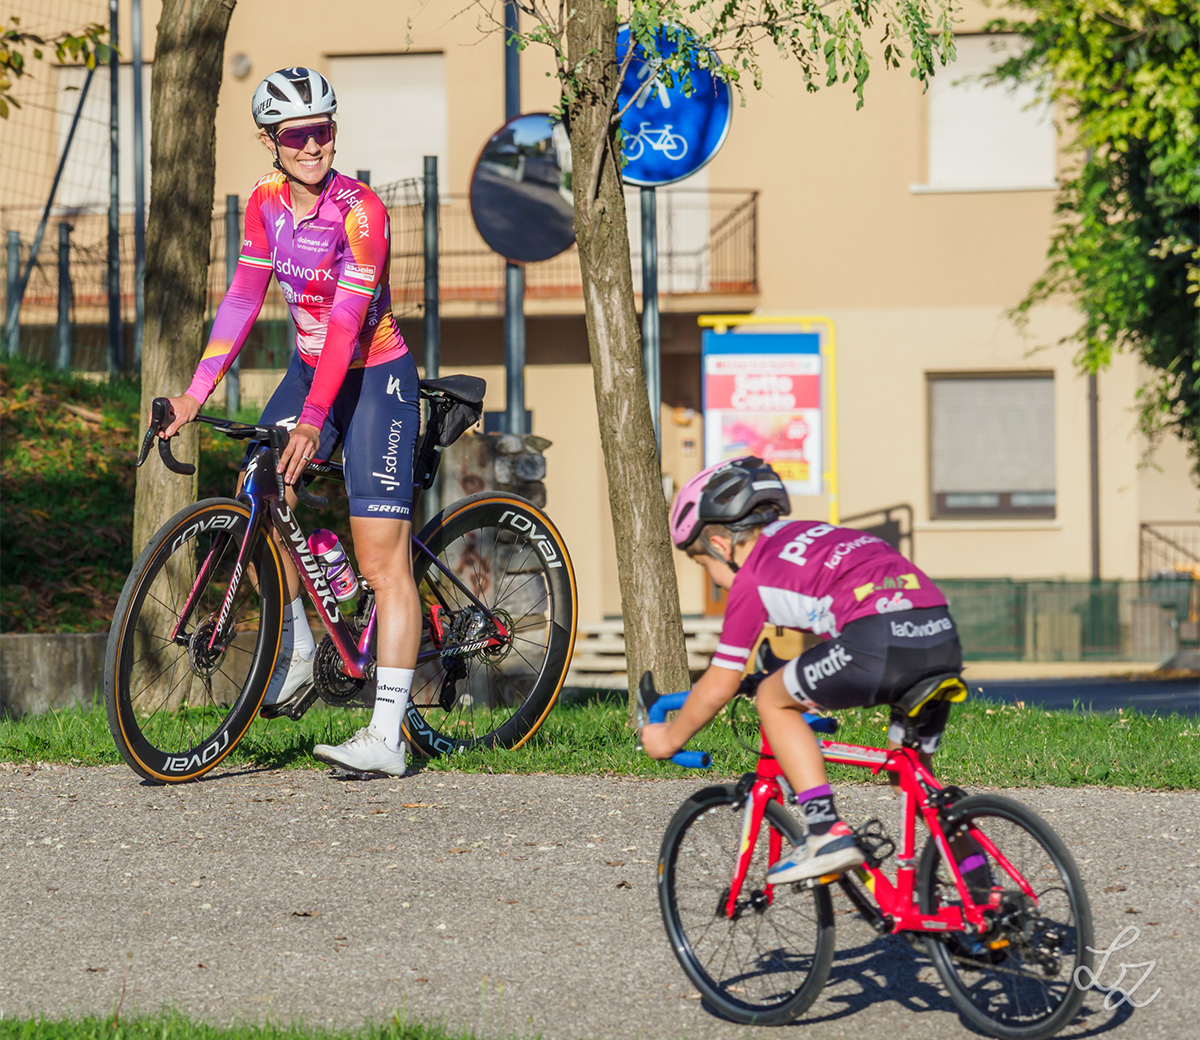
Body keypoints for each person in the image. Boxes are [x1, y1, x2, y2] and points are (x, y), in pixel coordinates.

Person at [156, 67, 417, 776]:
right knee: (260, 488)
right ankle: (299, 646)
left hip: (374, 376)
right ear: (271, 140)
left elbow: (344, 324)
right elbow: (241, 301)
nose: (313, 145)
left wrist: (310, 420)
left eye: (323, 130)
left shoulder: (361, 211)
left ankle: (387, 735)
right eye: (298, 134)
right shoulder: (265, 205)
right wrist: (193, 394)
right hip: (311, 373)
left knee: (382, 564)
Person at [640, 456, 966, 883]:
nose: (716, 581)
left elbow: (720, 683)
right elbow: (839, 600)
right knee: (917, 785)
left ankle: (824, 831)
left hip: (878, 641)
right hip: (939, 634)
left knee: (772, 700)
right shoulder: (808, 536)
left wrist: (668, 738)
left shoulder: (752, 577)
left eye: (704, 566)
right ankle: (986, 899)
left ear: (720, 544)